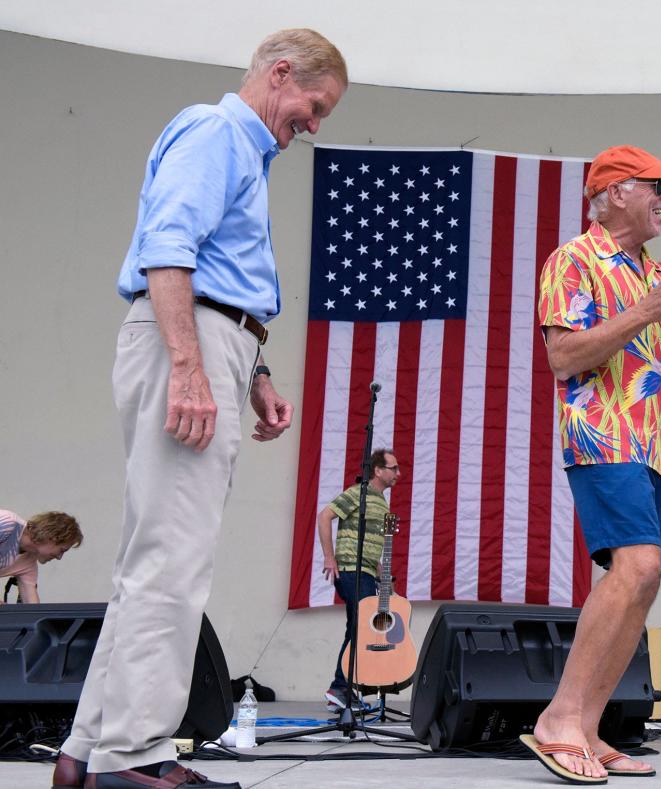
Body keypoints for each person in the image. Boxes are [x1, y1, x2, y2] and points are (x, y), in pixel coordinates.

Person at [53, 29, 347, 789]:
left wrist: (254, 372)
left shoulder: (241, 152)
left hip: (215, 339)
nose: (314, 124)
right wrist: (190, 367)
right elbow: (169, 248)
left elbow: (216, 271)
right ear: (280, 74)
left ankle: (87, 754)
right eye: (314, 106)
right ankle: (136, 757)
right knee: (174, 562)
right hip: (186, 341)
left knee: (152, 560)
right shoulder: (216, 131)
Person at [524, 144, 661, 784]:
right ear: (614, 194)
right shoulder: (573, 261)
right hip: (605, 437)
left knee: (643, 578)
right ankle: (559, 721)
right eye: (654, 186)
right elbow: (563, 357)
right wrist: (642, 312)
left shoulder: (658, 273)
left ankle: (588, 727)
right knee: (635, 567)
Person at [318, 449, 402, 710]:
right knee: (363, 627)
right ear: (378, 470)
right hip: (350, 570)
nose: (399, 474)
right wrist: (329, 558)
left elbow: (370, 547)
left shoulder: (382, 503)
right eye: (394, 468)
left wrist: (384, 578)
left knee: (357, 627)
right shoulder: (359, 492)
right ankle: (341, 687)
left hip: (366, 572)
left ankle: (341, 692)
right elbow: (325, 516)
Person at [0, 509, 83, 603]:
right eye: (62, 550)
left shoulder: (28, 563)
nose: (59, 557)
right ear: (52, 537)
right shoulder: (8, 523)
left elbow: (32, 606)